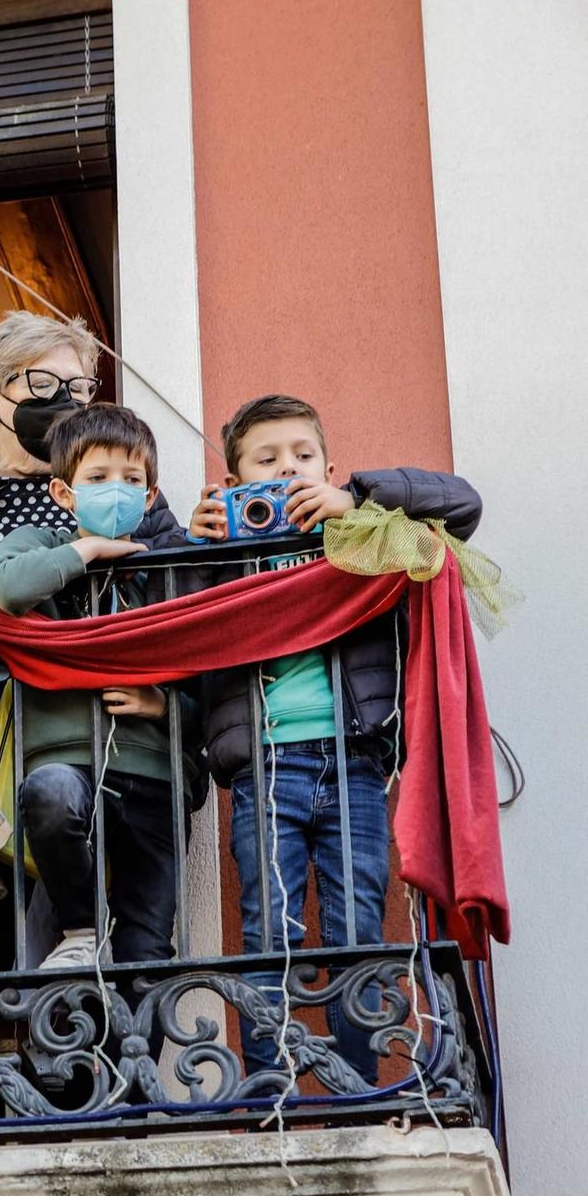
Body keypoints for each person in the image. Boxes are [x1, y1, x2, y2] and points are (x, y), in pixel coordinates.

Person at [186, 394, 482, 1085]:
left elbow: (462, 504)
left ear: (328, 466)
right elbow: (177, 627)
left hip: (353, 763)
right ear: (235, 485)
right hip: (266, 765)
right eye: (266, 460)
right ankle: (270, 1093)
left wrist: (355, 499)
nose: (287, 469)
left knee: (357, 928)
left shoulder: (364, 529)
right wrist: (197, 545)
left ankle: (357, 1090)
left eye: (302, 456)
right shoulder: (224, 547)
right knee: (268, 934)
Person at [0, 403, 201, 971]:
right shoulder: (38, 543)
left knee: (146, 948)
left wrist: (161, 704)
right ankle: (81, 927)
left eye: (132, 480)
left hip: (155, 773)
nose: (117, 491)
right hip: (66, 760)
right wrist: (85, 552)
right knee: (50, 794)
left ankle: (137, 1063)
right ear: (63, 491)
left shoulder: (170, 570)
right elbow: (6, 589)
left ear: (150, 498)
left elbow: (216, 682)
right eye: (98, 479)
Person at [0, 311, 185, 725]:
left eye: (78, 387)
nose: (65, 401)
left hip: (93, 735)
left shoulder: (129, 496)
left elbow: (177, 604)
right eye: (43, 384)